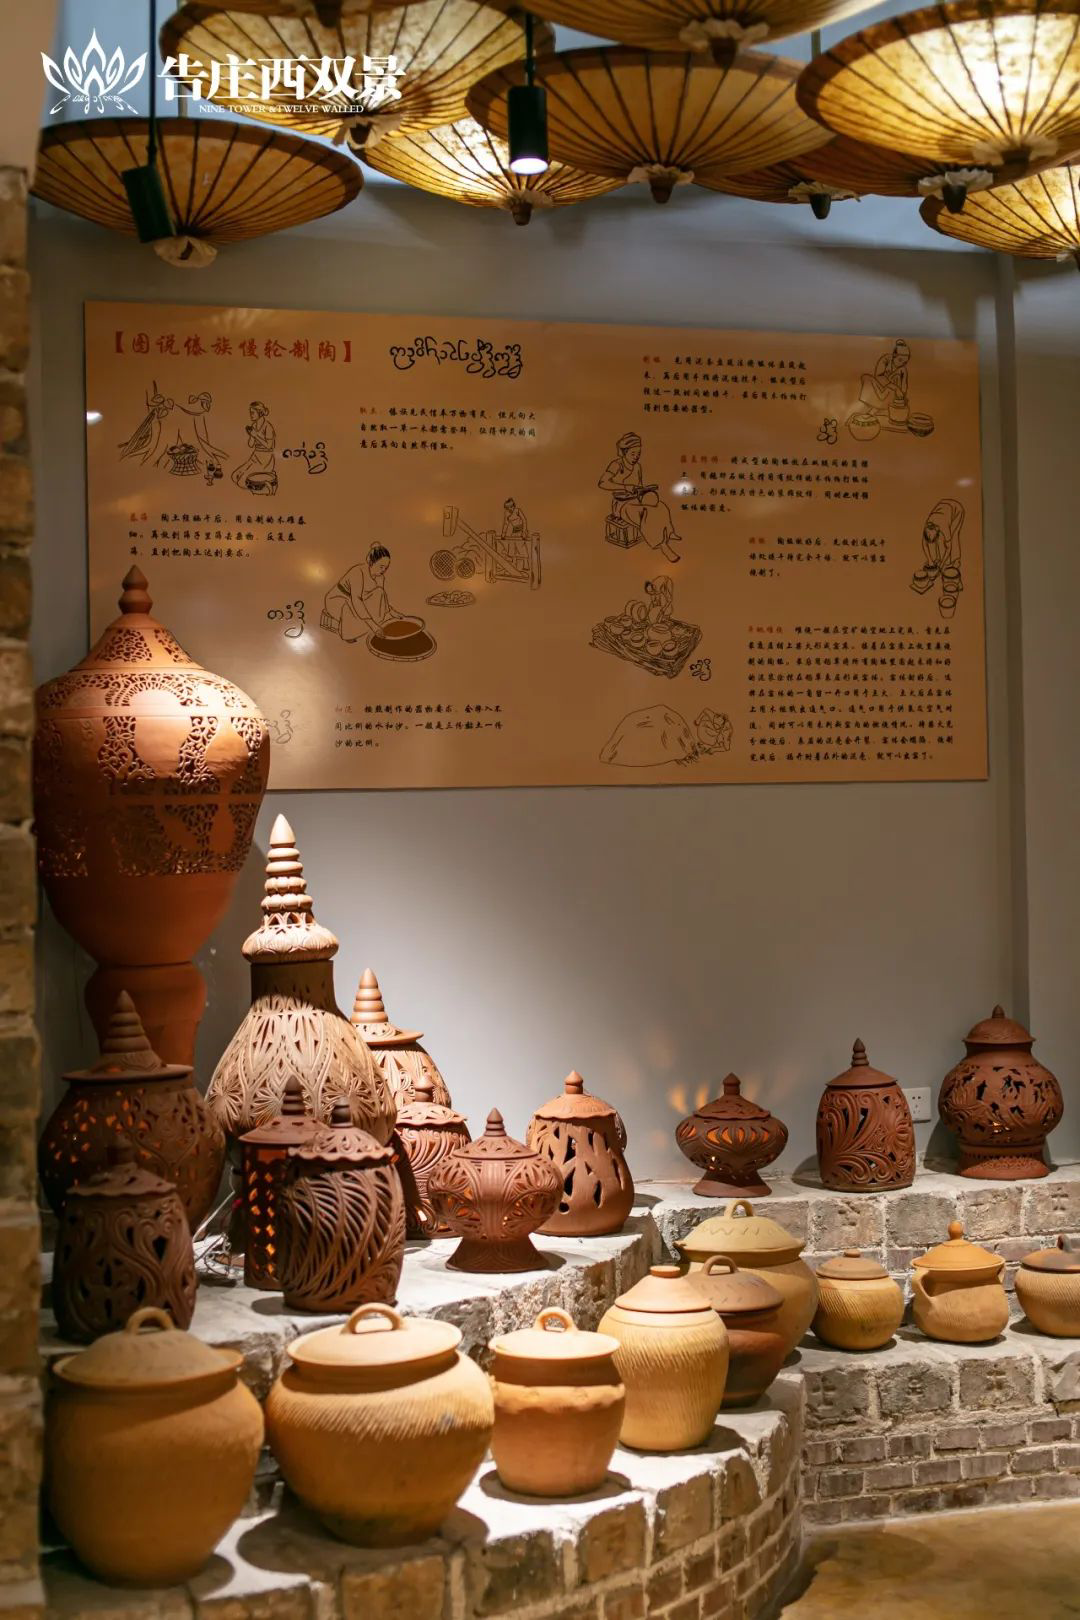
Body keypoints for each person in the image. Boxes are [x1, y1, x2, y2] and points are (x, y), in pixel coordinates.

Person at [599, 432, 682, 561]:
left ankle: (670, 532)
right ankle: (663, 546)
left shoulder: (637, 467)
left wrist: (645, 490)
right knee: (646, 512)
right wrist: (625, 487)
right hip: (621, 504)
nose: (636, 457)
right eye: (632, 454)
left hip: (636, 499)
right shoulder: (616, 465)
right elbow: (602, 483)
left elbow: (639, 487)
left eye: (638, 454)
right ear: (624, 452)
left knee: (660, 505)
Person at [321, 546, 400, 641]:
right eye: (381, 567)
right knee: (352, 606)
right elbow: (356, 599)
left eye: (386, 568)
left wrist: (391, 611)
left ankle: (368, 626)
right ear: (372, 562)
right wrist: (373, 625)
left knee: (380, 592)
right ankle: (348, 633)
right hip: (339, 600)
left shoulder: (380, 577)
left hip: (360, 600)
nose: (383, 570)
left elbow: (381, 597)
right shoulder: (358, 571)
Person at [911, 498, 964, 617]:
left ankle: (956, 566)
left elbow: (948, 548)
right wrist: (930, 560)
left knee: (954, 537)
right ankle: (941, 562)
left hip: (956, 510)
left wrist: (942, 564)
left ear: (937, 530)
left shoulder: (944, 527)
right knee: (937, 544)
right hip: (944, 508)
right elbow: (925, 544)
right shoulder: (927, 528)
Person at [232, 401, 277, 493]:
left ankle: (264, 489)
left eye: (253, 413)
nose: (251, 415)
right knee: (235, 476)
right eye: (250, 413)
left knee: (242, 480)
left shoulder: (268, 426)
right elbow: (250, 444)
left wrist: (256, 435)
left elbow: (269, 446)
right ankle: (260, 488)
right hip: (255, 456)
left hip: (266, 459)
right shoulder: (254, 425)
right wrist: (251, 435)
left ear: (259, 413)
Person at [860, 340, 910, 416]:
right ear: (894, 355)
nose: (901, 364)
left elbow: (904, 386)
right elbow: (878, 377)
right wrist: (894, 387)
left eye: (905, 362)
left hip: (893, 395)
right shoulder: (886, 359)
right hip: (881, 387)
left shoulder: (902, 369)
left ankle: (881, 409)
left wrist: (902, 395)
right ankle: (877, 407)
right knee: (866, 378)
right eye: (900, 360)